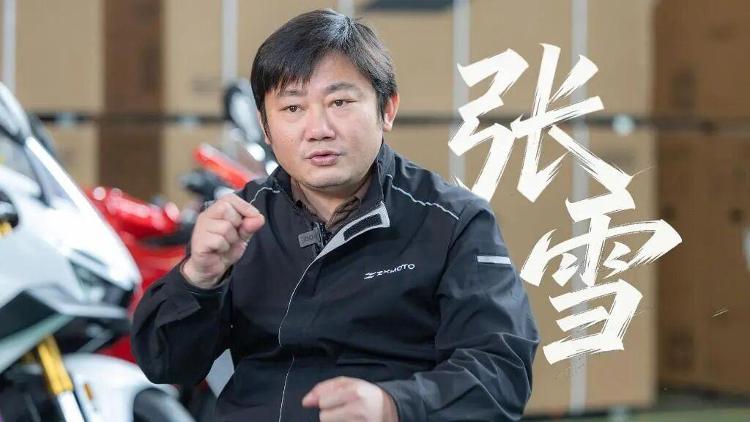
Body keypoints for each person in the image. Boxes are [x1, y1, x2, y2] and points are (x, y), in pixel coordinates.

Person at [131, 8, 539, 422]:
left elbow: (500, 371)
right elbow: (166, 365)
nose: (318, 129)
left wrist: (394, 406)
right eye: (293, 108)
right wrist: (198, 278)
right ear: (265, 127)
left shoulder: (453, 222)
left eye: (340, 102)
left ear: (387, 109)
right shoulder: (241, 221)